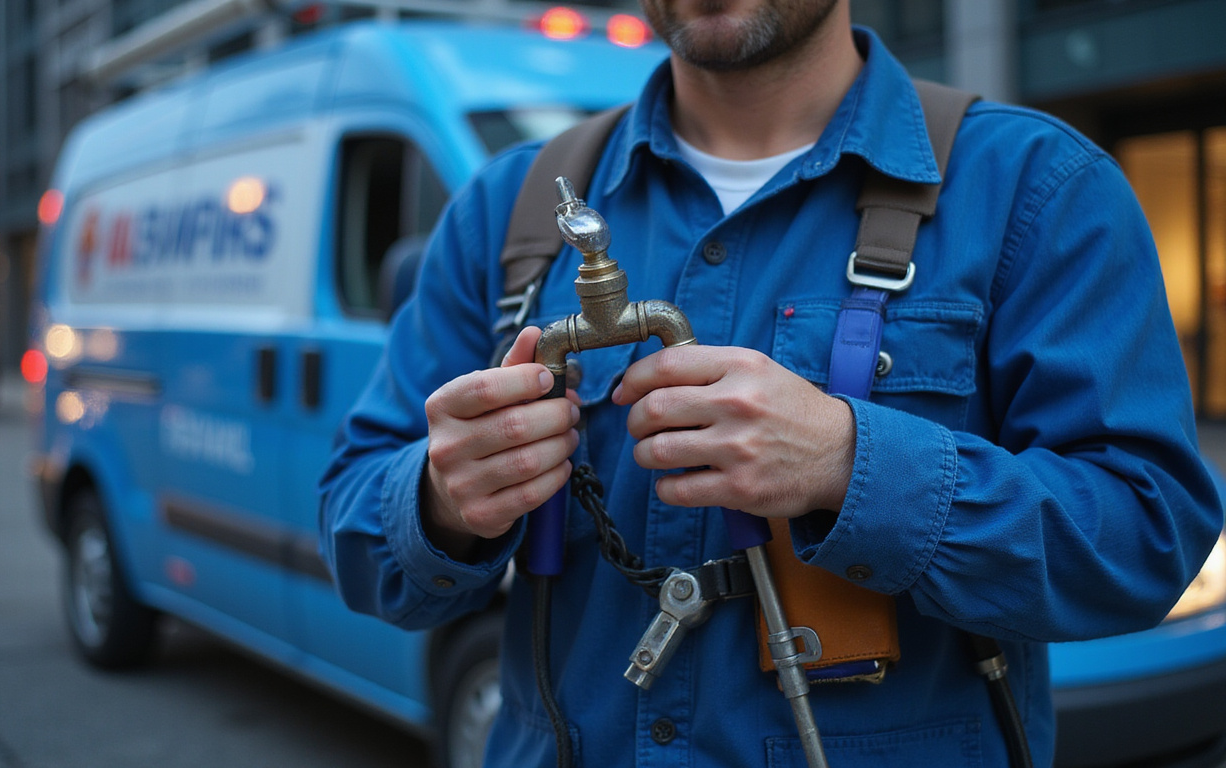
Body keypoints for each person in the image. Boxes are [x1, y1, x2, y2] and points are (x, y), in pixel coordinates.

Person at [320, 1, 1223, 765]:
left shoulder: (1035, 187)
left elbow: (1146, 535)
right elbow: (358, 528)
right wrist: (442, 499)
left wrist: (851, 464)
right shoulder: (507, 208)